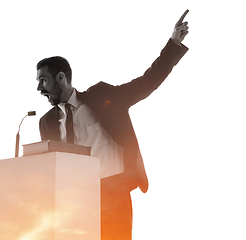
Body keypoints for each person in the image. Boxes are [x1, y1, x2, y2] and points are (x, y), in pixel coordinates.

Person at [36, 10, 190, 240]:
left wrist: (173, 43)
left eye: (43, 80)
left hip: (114, 193)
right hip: (76, 202)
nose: (40, 88)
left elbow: (146, 82)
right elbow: (51, 169)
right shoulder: (46, 123)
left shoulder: (102, 96)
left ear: (61, 78)